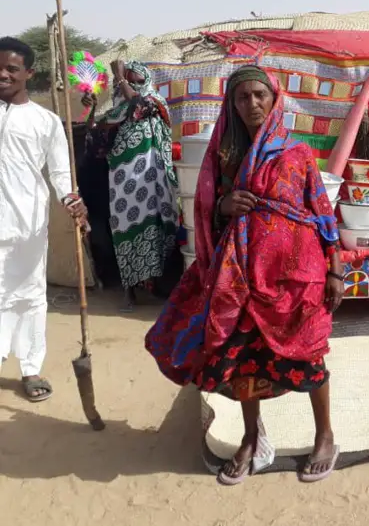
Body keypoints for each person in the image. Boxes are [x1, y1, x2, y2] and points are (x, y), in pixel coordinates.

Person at [145, 65, 344, 485]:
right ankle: (252, 438)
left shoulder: (298, 153)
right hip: (239, 276)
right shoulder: (224, 155)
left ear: (274, 100)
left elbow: (323, 213)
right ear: (231, 104)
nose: (252, 104)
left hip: (295, 275)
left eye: (259, 95)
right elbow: (202, 209)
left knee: (307, 353)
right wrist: (222, 207)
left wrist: (335, 271)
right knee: (242, 360)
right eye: (242, 97)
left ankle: (324, 435)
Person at [0, 36, 89, 401]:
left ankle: (30, 369)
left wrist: (74, 204)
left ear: (28, 74)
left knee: (31, 296)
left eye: (11, 69)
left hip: (27, 225)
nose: (3, 75)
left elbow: (61, 176)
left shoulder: (46, 122)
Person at [82, 60, 178, 312]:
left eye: (136, 80)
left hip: (153, 179)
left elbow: (138, 104)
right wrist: (91, 110)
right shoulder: (118, 108)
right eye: (127, 80)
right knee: (126, 229)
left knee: (157, 229)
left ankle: (156, 285)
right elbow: (95, 132)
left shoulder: (154, 101)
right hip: (124, 182)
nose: (131, 84)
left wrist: (119, 75)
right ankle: (129, 289)